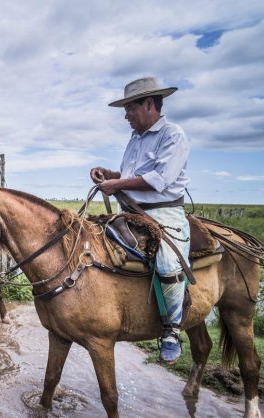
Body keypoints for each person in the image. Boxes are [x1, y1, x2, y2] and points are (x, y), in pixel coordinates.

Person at [90, 77, 190, 364]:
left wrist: (115, 185)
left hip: (162, 210)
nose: (126, 115)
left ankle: (171, 329)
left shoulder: (173, 135)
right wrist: (108, 175)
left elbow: (160, 179)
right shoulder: (135, 138)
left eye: (130, 108)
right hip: (130, 209)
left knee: (168, 261)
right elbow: (128, 174)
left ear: (149, 104)